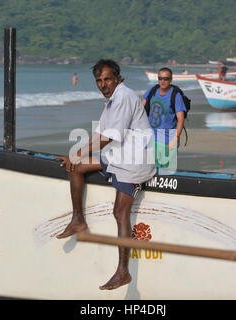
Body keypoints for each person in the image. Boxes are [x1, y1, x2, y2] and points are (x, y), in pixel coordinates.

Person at [55, 59, 155, 290]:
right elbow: (100, 132)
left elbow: (108, 137)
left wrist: (77, 152)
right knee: (77, 168)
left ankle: (123, 272)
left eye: (107, 79)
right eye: (99, 80)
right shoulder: (111, 101)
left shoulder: (123, 97)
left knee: (119, 213)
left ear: (118, 79)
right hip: (117, 155)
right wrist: (75, 156)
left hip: (133, 162)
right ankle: (78, 219)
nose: (103, 84)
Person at [142, 67, 186, 170]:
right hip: (151, 138)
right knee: (149, 169)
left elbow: (181, 119)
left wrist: (176, 138)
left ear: (171, 80)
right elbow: (139, 110)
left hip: (167, 139)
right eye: (160, 78)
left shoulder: (176, 96)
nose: (162, 81)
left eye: (166, 79)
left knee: (165, 171)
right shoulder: (151, 91)